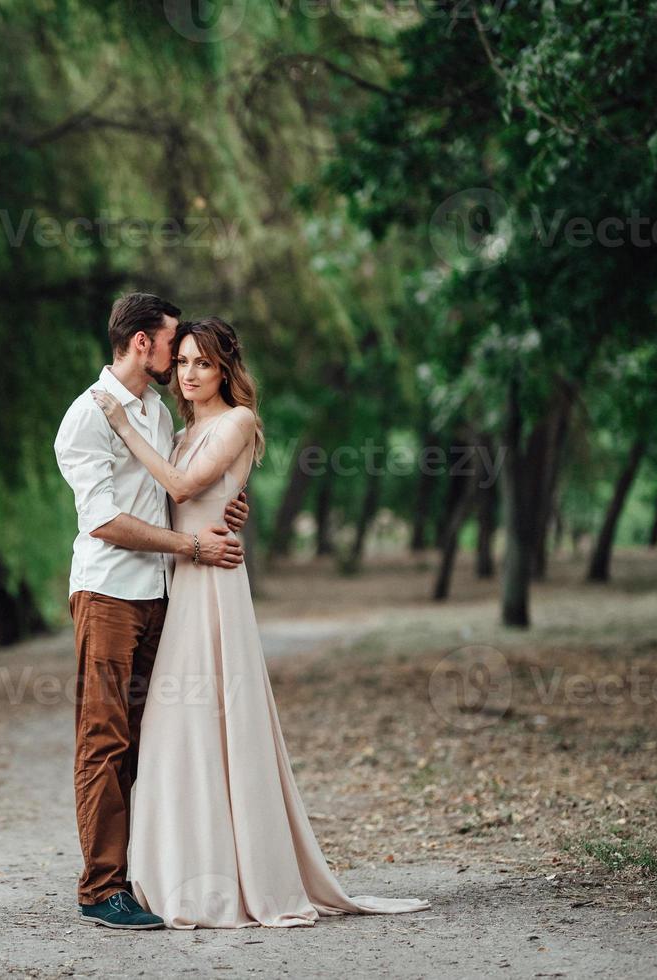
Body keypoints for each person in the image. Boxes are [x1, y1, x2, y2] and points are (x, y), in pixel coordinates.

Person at [89, 315, 431, 928]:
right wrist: (227, 503)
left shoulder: (236, 421)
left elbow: (184, 485)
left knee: (216, 721)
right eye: (184, 361)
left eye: (203, 363)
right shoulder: (183, 424)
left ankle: (234, 874)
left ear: (226, 369)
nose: (189, 374)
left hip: (213, 584)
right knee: (175, 729)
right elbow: (176, 497)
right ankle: (175, 872)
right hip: (181, 579)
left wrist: (122, 425)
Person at [53, 293, 249, 930]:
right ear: (144, 343)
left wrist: (223, 512)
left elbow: (174, 491)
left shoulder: (159, 412)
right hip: (109, 594)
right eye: (172, 345)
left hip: (160, 596)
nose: (179, 358)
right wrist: (191, 544)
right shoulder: (87, 417)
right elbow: (105, 521)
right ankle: (100, 888)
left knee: (145, 743)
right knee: (103, 739)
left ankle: (144, 873)